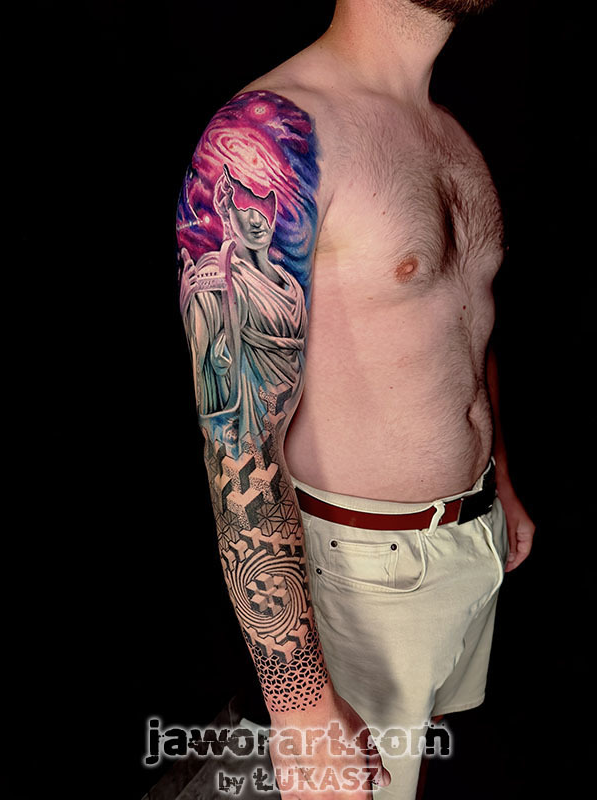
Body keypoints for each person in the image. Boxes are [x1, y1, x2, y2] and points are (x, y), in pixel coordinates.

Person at [176, 2, 536, 798]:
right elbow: (238, 441)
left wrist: (499, 481)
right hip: (365, 574)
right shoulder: (268, 139)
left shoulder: (447, 132)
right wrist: (300, 704)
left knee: (415, 766)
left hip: (464, 542)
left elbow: (465, 324)